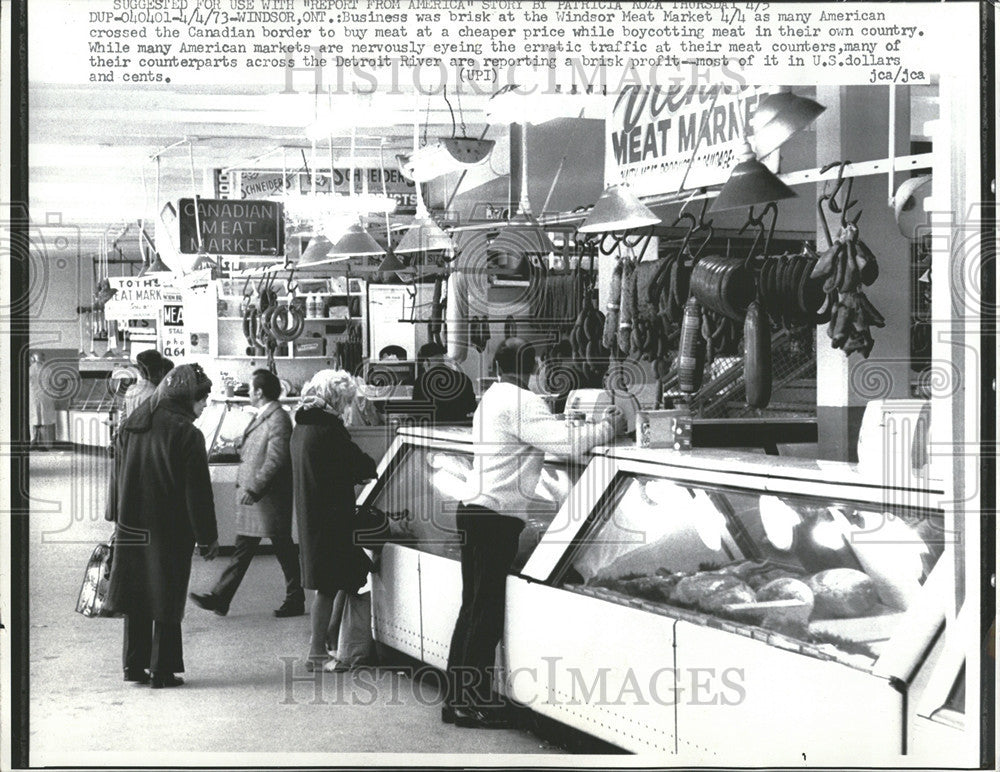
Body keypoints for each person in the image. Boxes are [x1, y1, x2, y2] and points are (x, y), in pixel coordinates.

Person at [444, 337, 624, 728]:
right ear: (535, 365)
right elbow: (569, 443)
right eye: (542, 363)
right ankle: (470, 701)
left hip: (474, 510)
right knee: (485, 611)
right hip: (495, 516)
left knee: (472, 606)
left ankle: (456, 698)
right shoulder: (522, 401)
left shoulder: (493, 397)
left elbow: (549, 435)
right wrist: (611, 424)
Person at [104, 363, 219, 689]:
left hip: (132, 525)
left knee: (136, 592)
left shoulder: (133, 424)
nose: (204, 406)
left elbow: (115, 477)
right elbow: (197, 493)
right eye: (202, 399)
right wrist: (207, 537)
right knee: (166, 596)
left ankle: (134, 665)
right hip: (170, 529)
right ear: (186, 397)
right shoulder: (187, 434)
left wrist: (114, 514)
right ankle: (163, 670)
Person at [189, 369, 304, 618]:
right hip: (259, 500)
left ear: (259, 392)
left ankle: (295, 598)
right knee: (253, 550)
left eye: (251, 389)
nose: (248, 393)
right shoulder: (265, 415)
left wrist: (254, 488)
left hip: (268, 498)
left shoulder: (278, 419)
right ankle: (221, 598)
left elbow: (276, 459)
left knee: (282, 549)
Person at [290, 370, 377, 670]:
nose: (346, 408)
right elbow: (358, 464)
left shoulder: (302, 425)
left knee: (336, 579)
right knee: (332, 583)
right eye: (345, 401)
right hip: (332, 516)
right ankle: (320, 650)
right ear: (336, 399)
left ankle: (328, 641)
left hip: (313, 512)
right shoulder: (329, 429)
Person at [412, 342, 477, 424]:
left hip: (432, 432)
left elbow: (416, 414)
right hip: (458, 432)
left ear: (426, 362)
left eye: (423, 366)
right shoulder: (463, 379)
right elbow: (472, 408)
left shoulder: (421, 382)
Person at [120, 350, 172, 426]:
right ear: (160, 372)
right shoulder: (156, 395)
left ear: (141, 372)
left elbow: (123, 420)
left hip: (131, 436)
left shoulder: (131, 390)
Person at [28, 351, 57, 450]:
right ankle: (44, 444)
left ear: (33, 359)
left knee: (34, 420)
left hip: (33, 397)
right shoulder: (48, 369)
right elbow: (53, 385)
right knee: (45, 422)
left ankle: (33, 441)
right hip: (46, 398)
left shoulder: (29, 370)